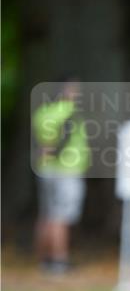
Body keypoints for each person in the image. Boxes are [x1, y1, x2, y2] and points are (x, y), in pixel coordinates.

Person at [33, 78, 90, 274]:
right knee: (61, 216)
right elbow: (63, 138)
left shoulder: (43, 113)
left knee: (46, 214)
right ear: (67, 91)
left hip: (45, 169)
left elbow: (41, 141)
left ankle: (44, 260)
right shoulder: (70, 112)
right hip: (66, 170)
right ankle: (59, 260)